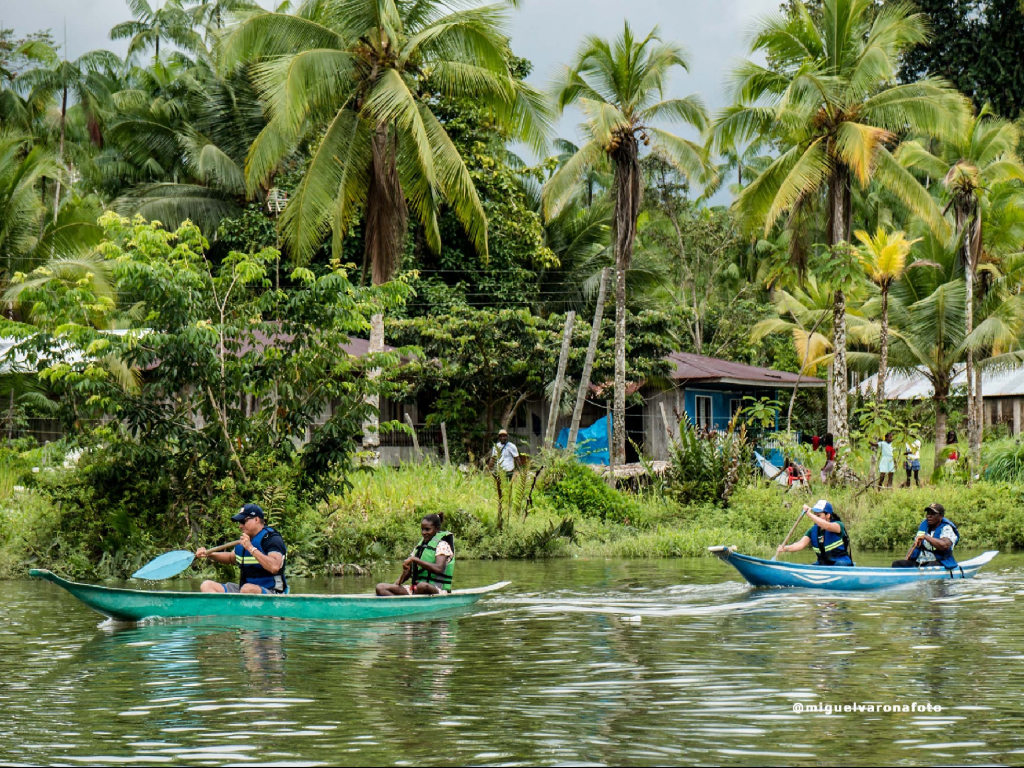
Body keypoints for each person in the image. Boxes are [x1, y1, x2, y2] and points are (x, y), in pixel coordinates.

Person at [197, 504, 288, 594]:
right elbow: (230, 558)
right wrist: (209, 555)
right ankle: (222, 609)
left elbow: (274, 567)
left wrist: (250, 548)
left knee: (247, 589)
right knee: (207, 585)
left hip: (272, 591)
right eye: (239, 523)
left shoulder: (272, 539)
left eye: (243, 521)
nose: (240, 526)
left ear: (256, 519)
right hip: (244, 590)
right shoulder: (245, 540)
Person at [376, 513, 455, 596]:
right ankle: (403, 607)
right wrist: (396, 584)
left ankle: (412, 604)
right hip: (416, 589)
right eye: (422, 529)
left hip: (437, 590)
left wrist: (414, 559)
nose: (424, 532)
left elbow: (438, 569)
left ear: (437, 529)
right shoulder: (420, 546)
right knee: (380, 587)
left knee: (422, 586)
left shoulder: (442, 545)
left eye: (427, 529)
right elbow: (408, 572)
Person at [777, 499, 853, 566]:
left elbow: (827, 526)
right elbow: (800, 544)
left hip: (841, 564)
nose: (816, 518)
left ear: (828, 515)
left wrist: (809, 514)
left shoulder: (838, 526)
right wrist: (785, 548)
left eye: (819, 515)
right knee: (805, 566)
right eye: (815, 515)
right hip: (823, 564)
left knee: (839, 565)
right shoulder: (813, 531)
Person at [891, 503, 960, 569]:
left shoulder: (946, 528)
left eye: (933, 514)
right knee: (896, 564)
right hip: (920, 562)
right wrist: (906, 560)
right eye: (928, 513)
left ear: (941, 516)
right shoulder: (924, 527)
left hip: (940, 562)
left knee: (928, 566)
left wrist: (925, 537)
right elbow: (914, 546)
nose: (929, 516)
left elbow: (945, 546)